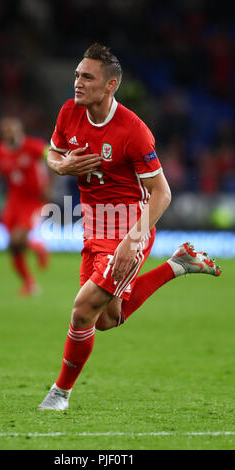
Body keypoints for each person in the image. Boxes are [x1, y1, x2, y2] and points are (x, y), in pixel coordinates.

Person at [38, 43, 221, 410]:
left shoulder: (133, 131)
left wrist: (133, 240)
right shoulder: (69, 113)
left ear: (110, 86)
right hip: (93, 225)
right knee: (106, 320)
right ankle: (177, 265)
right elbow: (53, 152)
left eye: (87, 77)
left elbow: (163, 193)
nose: (77, 82)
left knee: (82, 310)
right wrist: (61, 167)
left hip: (127, 228)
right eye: (76, 74)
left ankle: (59, 393)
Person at [0, 117, 50, 296]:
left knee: (16, 240)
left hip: (33, 200)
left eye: (12, 130)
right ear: (2, 133)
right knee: (13, 246)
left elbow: (52, 156)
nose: (10, 133)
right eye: (6, 130)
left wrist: (49, 184)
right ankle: (30, 282)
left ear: (20, 130)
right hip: (13, 201)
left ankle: (36, 249)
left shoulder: (33, 146)